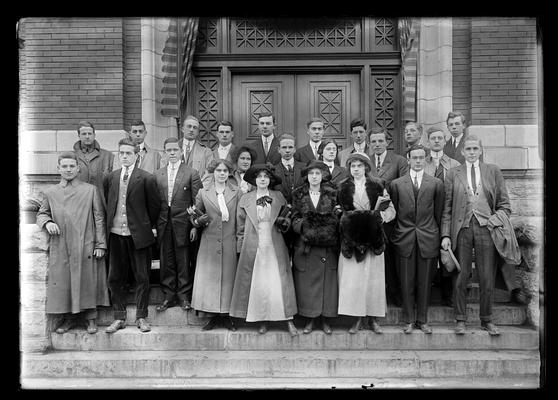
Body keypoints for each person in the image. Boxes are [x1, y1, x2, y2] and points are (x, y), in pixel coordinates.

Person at [441, 135, 511, 336]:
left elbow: (505, 206)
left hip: (486, 229)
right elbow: (447, 208)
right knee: (461, 275)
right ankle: (460, 319)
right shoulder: (454, 173)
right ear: (462, 152)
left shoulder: (493, 171)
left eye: (475, 149)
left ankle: (486, 319)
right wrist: (445, 235)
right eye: (468, 149)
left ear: (481, 151)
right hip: (461, 228)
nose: (472, 152)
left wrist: (493, 220)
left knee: (486, 275)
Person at [36, 152, 110, 335]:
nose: (68, 170)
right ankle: (68, 319)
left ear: (78, 168)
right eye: (64, 166)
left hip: (86, 242)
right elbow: (41, 213)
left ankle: (91, 318)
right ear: (58, 168)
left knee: (88, 279)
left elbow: (99, 217)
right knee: (64, 281)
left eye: (71, 166)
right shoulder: (50, 192)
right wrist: (48, 222)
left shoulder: (89, 190)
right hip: (62, 244)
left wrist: (100, 244)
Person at [229, 164, 298, 336]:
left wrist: (284, 223)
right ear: (254, 180)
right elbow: (240, 226)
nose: (262, 180)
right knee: (259, 282)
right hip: (253, 244)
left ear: (270, 180)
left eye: (265, 177)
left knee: (277, 281)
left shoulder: (278, 196)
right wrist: (240, 248)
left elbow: (286, 221)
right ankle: (262, 319)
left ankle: (287, 319)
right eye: (259, 177)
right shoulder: (246, 199)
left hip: (274, 241)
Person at [104, 138, 160, 334]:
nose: (125, 157)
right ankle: (119, 317)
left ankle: (141, 316)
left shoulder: (146, 178)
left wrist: (145, 226)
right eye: (122, 153)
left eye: (129, 153)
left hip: (139, 235)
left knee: (142, 277)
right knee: (114, 277)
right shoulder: (111, 177)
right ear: (119, 155)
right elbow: (107, 205)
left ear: (137, 155)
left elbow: (154, 207)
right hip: (116, 234)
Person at [337, 152, 396, 334]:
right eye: (353, 166)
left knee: (373, 279)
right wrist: (343, 217)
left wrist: (380, 218)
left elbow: (390, 209)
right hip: (352, 238)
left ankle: (373, 318)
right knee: (354, 280)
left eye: (359, 166)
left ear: (366, 167)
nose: (356, 169)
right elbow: (337, 209)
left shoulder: (377, 186)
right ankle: (356, 318)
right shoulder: (342, 187)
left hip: (372, 237)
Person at [389, 144, 444, 334]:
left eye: (421, 157)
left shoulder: (436, 183)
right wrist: (397, 234)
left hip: (428, 237)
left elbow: (439, 214)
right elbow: (393, 213)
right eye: (415, 158)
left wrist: (438, 235)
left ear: (426, 159)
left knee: (425, 281)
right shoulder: (396, 184)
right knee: (406, 281)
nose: (418, 161)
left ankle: (423, 319)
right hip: (404, 238)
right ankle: (409, 319)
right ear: (408, 159)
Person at [189, 159, 241, 331]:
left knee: (228, 279)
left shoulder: (236, 191)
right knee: (210, 280)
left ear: (229, 174)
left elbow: (240, 219)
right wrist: (197, 221)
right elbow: (194, 217)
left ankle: (227, 317)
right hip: (209, 242)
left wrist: (239, 242)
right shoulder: (204, 192)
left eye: (225, 171)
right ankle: (212, 316)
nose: (221, 174)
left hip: (229, 240)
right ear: (213, 173)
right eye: (218, 171)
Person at [291, 160, 340, 334]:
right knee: (308, 285)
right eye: (311, 173)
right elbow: (294, 218)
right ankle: (310, 319)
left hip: (327, 247)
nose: (314, 177)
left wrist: (330, 225)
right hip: (307, 247)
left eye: (317, 173)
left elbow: (337, 217)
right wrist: (304, 226)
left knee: (327, 285)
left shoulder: (332, 194)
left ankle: (325, 319)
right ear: (306, 176)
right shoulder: (298, 194)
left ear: (323, 176)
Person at [154, 137, 202, 313]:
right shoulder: (157, 174)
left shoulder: (191, 173)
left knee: (183, 259)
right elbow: (154, 202)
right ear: (165, 152)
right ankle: (168, 295)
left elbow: (197, 202)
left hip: (183, 224)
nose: (172, 153)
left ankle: (183, 295)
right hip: (163, 224)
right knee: (166, 260)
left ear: (181, 151)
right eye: (169, 150)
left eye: (175, 150)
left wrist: (195, 226)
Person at [368, 127, 409, 307]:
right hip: (370, 218)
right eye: (374, 141)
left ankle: (394, 293)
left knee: (391, 258)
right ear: (369, 144)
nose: (377, 144)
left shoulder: (398, 161)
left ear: (387, 142)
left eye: (380, 141)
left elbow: (405, 187)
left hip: (391, 218)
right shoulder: (365, 162)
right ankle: (374, 297)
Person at [423, 126, 461, 306]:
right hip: (428, 213)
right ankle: (428, 291)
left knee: (448, 249)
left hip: (449, 212)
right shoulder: (422, 162)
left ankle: (448, 293)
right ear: (428, 142)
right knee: (429, 251)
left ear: (445, 141)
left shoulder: (454, 164)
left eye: (440, 138)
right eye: (433, 138)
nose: (436, 141)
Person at [73, 120, 114, 208]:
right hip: (78, 204)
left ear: (94, 135)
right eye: (84, 134)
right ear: (79, 136)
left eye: (90, 133)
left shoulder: (108, 156)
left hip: (101, 204)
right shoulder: (72, 157)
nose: (87, 137)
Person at [169, 115, 214, 187]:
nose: (191, 130)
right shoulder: (171, 148)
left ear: (198, 132)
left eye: (195, 127)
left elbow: (209, 176)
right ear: (183, 129)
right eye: (189, 126)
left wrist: (198, 190)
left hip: (197, 192)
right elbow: (164, 172)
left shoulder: (206, 152)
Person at [272, 134, 306, 204]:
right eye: (284, 147)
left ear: (294, 149)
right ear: (279, 149)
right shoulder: (273, 170)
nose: (287, 151)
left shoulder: (304, 168)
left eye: (290, 147)